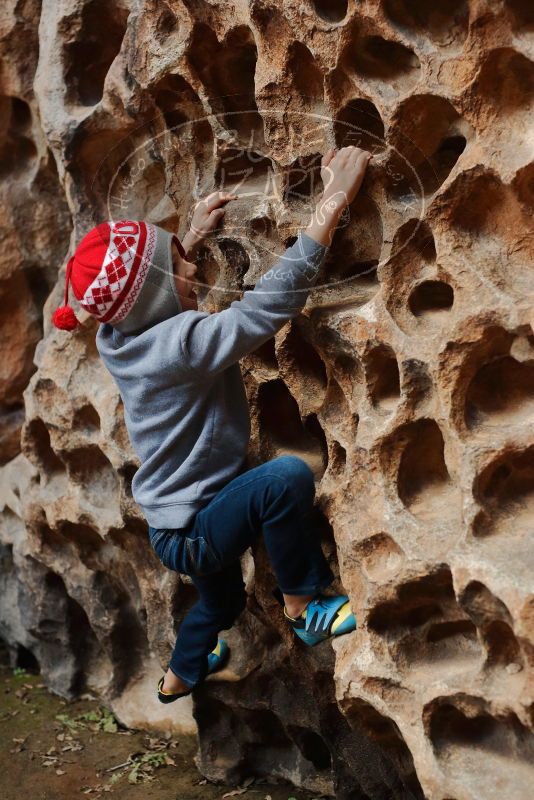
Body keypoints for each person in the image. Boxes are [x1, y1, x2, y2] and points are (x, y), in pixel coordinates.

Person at [51, 146, 372, 702]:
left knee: (220, 603)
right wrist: (332, 201)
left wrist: (188, 238)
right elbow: (267, 308)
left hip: (172, 521)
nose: (195, 269)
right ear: (154, 299)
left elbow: (143, 297)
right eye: (180, 267)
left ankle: (179, 676)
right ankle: (305, 607)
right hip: (196, 527)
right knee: (286, 480)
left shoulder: (118, 339)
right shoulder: (184, 343)